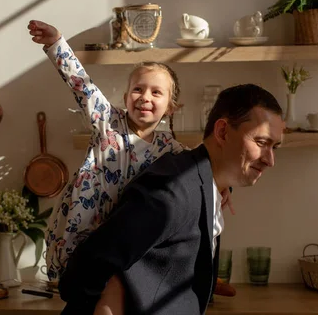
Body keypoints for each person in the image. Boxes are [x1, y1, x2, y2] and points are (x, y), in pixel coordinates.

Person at [27, 20, 233, 315]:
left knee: (111, 296)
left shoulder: (172, 151)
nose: (145, 97)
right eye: (138, 89)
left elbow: (203, 170)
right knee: (80, 290)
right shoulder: (107, 124)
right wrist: (56, 43)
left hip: (124, 245)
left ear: (171, 107)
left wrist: (224, 187)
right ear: (125, 98)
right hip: (84, 233)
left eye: (156, 93)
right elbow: (81, 85)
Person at [58, 83, 284, 315]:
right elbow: (87, 268)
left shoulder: (206, 185)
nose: (270, 160)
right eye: (262, 142)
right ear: (223, 131)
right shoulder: (174, 190)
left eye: (275, 146)